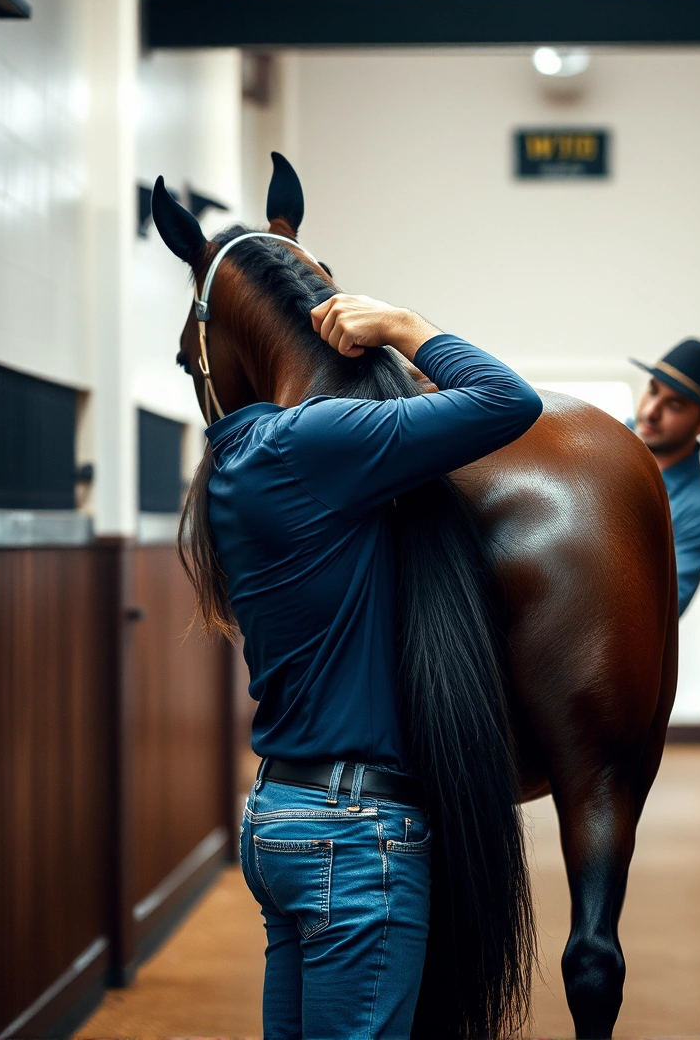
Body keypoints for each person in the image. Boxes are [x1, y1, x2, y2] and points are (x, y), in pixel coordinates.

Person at [207, 293, 543, 1038]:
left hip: (278, 819)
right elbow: (507, 400)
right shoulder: (315, 443)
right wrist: (402, 326)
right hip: (354, 836)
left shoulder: (234, 463)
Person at [630, 338, 700, 616]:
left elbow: (657, 614)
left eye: (675, 405)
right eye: (652, 390)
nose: (651, 411)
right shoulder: (597, 440)